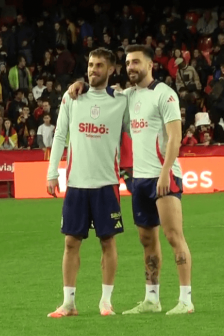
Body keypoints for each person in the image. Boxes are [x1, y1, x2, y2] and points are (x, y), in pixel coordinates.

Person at [68, 45, 194, 315]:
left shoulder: (165, 94)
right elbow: (97, 90)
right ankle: (152, 298)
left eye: (136, 62)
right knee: (147, 240)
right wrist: (79, 83)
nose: (131, 67)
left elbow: (175, 137)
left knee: (174, 236)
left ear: (150, 65)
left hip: (164, 176)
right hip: (139, 180)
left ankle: (186, 299)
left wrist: (165, 171)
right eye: (127, 63)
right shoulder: (125, 96)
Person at [46, 48, 129, 318]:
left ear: (111, 70)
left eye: (99, 66)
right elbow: (59, 136)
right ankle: (68, 303)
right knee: (71, 243)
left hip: (106, 183)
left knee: (108, 242)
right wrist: (51, 173)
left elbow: (132, 133)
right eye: (91, 64)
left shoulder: (121, 100)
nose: (93, 70)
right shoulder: (72, 97)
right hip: (76, 183)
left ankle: (106, 301)